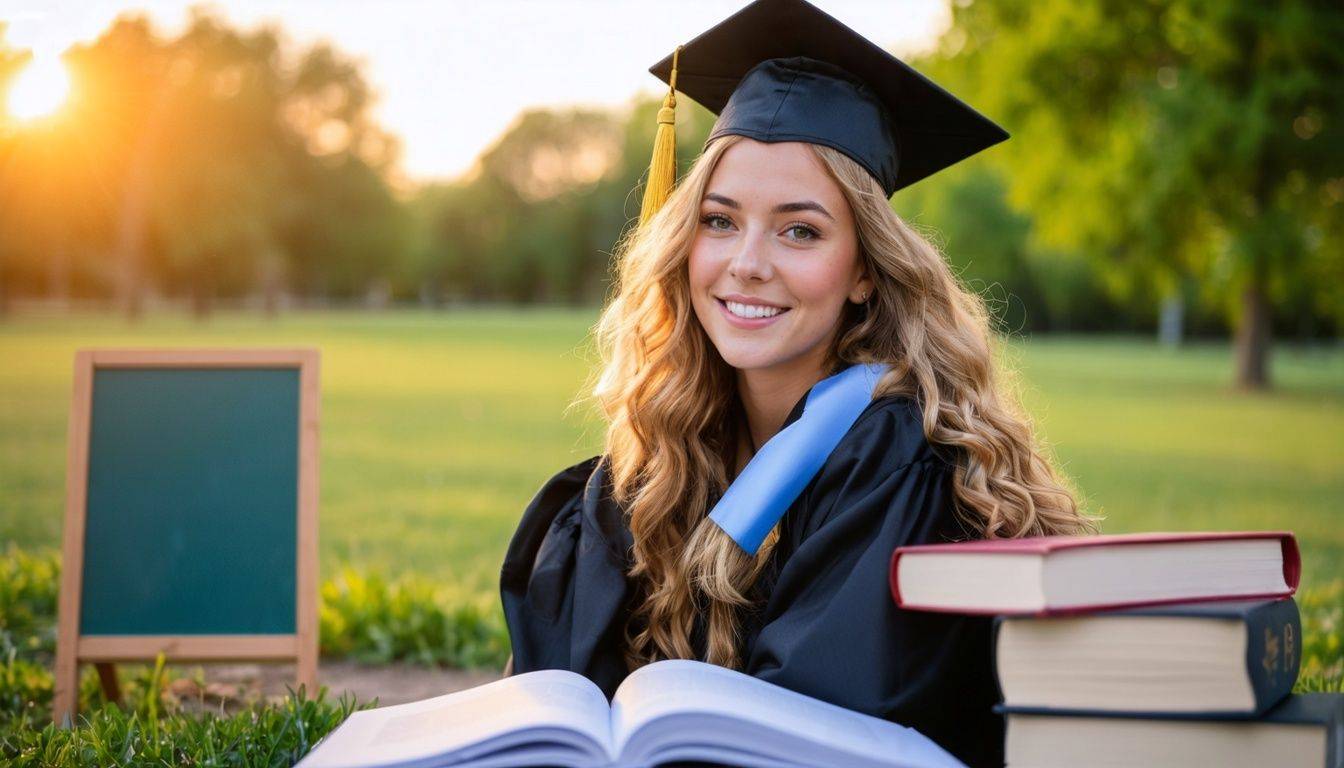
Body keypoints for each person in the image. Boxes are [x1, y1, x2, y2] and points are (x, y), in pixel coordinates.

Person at [500, 1, 1095, 765]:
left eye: (800, 230)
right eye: (719, 220)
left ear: (866, 275)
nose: (747, 261)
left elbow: (819, 729)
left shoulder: (894, 457)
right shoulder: (659, 463)